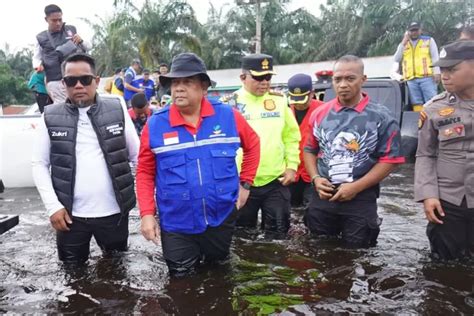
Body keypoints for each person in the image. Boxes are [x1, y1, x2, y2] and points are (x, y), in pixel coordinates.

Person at [136, 52, 260, 276]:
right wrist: (146, 213)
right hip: (176, 223)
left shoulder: (229, 117)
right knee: (181, 282)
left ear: (204, 88)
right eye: (175, 83)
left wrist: (246, 184)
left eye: (187, 82)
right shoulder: (155, 125)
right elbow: (144, 172)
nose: (178, 88)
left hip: (221, 217)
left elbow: (253, 146)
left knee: (219, 275)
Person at [31, 53, 139, 264]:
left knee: (116, 274)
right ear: (64, 84)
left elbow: (137, 156)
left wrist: (143, 204)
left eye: (85, 79)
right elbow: (39, 164)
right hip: (70, 216)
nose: (79, 85)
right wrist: (53, 207)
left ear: (96, 81)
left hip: (114, 213)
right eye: (71, 81)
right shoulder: (50, 116)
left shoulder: (117, 108)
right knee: (72, 278)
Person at [304, 55, 405, 247]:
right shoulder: (319, 114)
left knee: (359, 253)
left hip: (361, 197)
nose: (343, 85)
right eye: (338, 79)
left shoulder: (381, 117)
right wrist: (316, 179)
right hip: (323, 195)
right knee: (318, 250)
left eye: (350, 79)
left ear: (363, 79)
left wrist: (356, 187)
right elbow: (309, 149)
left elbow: (391, 160)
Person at [227, 53, 300, 238]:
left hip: (275, 180)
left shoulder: (279, 101)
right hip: (241, 182)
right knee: (242, 237)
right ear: (243, 77)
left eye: (268, 77)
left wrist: (292, 167)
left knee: (278, 236)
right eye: (258, 77)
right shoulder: (229, 104)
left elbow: (291, 136)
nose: (264, 82)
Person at [414, 40, 474, 260]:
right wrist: (427, 195)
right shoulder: (433, 108)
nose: (444, 76)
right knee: (444, 265)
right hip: (447, 202)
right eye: (442, 70)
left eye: (452, 69)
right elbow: (424, 154)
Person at [32, 4, 90, 104]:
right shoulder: (41, 37)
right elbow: (36, 57)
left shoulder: (71, 30)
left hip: (76, 77)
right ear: (46, 19)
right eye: (54, 20)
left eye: (60, 19)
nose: (58, 23)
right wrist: (38, 65)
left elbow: (88, 47)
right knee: (63, 108)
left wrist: (81, 41)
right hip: (55, 80)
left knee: (81, 106)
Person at [287, 74, 323, 211]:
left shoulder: (323, 110)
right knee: (289, 212)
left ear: (312, 93)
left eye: (302, 99)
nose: (298, 104)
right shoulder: (284, 111)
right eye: (295, 99)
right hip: (291, 173)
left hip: (313, 174)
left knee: (312, 211)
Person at [392, 22, 440, 112]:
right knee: (416, 103)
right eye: (412, 30)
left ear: (420, 30)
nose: (414, 32)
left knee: (432, 101)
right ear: (408, 32)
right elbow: (396, 58)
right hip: (411, 80)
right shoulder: (404, 44)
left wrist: (437, 72)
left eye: (416, 30)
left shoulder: (428, 40)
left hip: (427, 77)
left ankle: (433, 121)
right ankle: (420, 122)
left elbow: (435, 57)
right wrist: (403, 43)